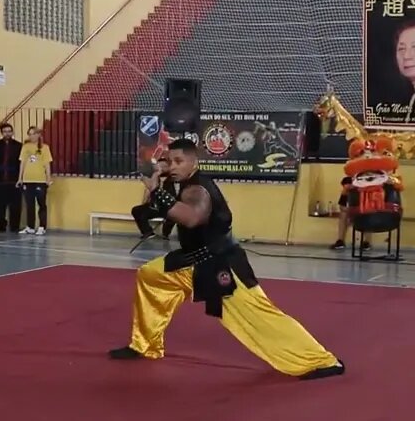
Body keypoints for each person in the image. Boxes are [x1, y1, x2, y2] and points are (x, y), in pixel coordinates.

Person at [108, 138, 345, 381]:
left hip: (220, 264)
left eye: (180, 161)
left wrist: (157, 189)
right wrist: (156, 182)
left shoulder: (199, 188)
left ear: (194, 161)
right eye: (170, 161)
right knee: (150, 275)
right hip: (189, 260)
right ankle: (145, 344)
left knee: (260, 316)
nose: (174, 166)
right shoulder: (176, 184)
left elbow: (191, 218)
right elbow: (155, 210)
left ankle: (322, 360)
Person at [131, 158, 176, 240]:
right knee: (136, 210)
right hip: (154, 207)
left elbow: (154, 189)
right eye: (159, 166)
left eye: (164, 166)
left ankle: (165, 234)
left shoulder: (173, 178)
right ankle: (148, 232)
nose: (161, 168)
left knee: (145, 214)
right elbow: (151, 189)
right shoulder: (155, 177)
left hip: (166, 208)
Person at [0, 123, 23, 232]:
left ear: (12, 132)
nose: (7, 133)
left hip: (14, 177)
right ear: (2, 133)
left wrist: (20, 177)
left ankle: (14, 226)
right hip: (0, 178)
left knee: (15, 204)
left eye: (9, 131)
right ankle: (1, 224)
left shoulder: (19, 145)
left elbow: (21, 162)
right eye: (5, 131)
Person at [18, 130, 52, 235]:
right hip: (28, 180)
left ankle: (42, 226)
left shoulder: (44, 147)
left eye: (34, 133)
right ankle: (30, 226)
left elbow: (47, 164)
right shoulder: (25, 147)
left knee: (41, 203)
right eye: (30, 134)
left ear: (38, 135)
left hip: (40, 180)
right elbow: (22, 163)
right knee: (29, 204)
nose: (32, 136)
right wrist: (20, 178)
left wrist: (48, 178)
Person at [331, 176, 371, 251]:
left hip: (363, 210)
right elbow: (342, 207)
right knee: (343, 215)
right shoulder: (346, 192)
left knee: (367, 215)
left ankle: (366, 242)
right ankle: (340, 241)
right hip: (351, 211)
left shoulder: (365, 187)